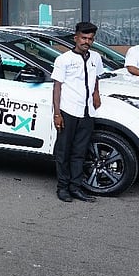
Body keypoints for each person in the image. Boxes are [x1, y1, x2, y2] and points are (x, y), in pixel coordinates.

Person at [51, 21, 104, 203]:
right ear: (76, 38)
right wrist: (57, 114)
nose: (86, 41)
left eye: (90, 39)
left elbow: (96, 77)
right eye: (83, 38)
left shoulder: (96, 58)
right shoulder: (64, 59)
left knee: (80, 152)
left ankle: (76, 187)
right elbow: (57, 87)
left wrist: (96, 94)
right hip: (68, 111)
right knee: (63, 151)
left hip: (87, 112)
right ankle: (62, 187)